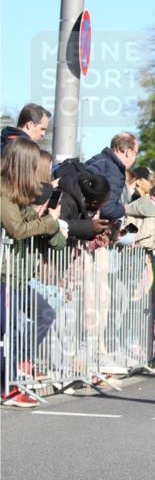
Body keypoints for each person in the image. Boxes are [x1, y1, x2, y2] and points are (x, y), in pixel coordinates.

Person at [0, 138, 67, 407]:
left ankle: (13, 375)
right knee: (9, 330)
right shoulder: (3, 191)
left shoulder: (17, 193)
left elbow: (28, 220)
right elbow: (17, 230)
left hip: (15, 277)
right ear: (21, 164)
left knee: (35, 317)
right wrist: (48, 222)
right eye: (32, 166)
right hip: (5, 276)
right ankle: (8, 385)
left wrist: (45, 216)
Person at [85, 132, 139, 220]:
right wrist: (123, 209)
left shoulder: (97, 159)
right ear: (128, 152)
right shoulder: (112, 170)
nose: (135, 157)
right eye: (135, 153)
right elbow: (106, 209)